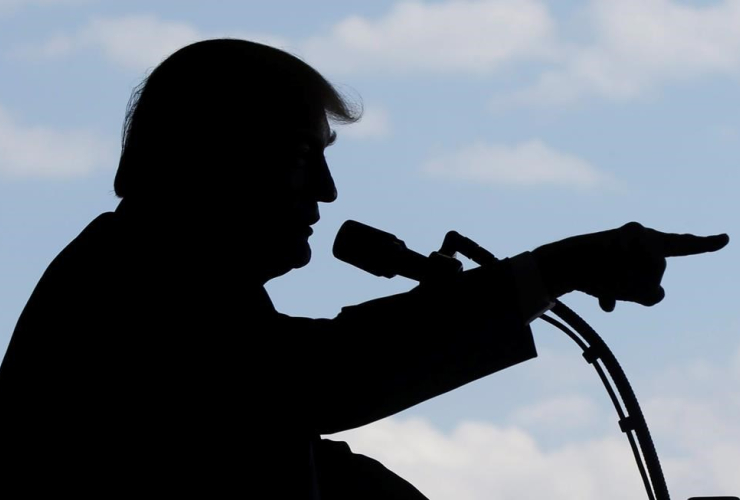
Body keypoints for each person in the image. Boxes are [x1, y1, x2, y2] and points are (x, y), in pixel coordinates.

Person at [0, 39, 728, 497]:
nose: (327, 191)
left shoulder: (147, 276)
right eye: (302, 158)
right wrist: (557, 268)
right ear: (219, 157)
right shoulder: (132, 285)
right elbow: (320, 376)